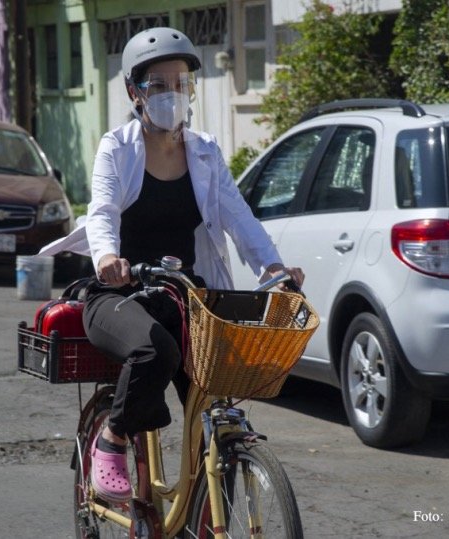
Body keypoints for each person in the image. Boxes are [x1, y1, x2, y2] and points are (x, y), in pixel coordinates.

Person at [39, 27, 304, 503]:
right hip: (119, 294)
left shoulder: (204, 150)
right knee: (155, 352)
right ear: (134, 92)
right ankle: (113, 438)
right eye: (158, 85)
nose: (172, 95)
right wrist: (106, 259)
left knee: (212, 390)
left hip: (184, 293)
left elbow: (239, 217)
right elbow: (100, 213)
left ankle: (198, 508)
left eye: (181, 83)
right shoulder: (116, 148)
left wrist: (275, 270)